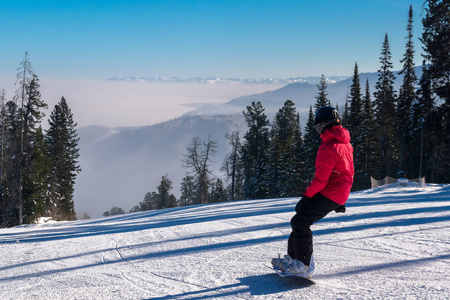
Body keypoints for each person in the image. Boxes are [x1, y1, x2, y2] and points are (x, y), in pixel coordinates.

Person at [272, 106, 354, 277]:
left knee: (301, 221)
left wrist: (305, 197)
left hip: (331, 191)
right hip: (339, 191)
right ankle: (294, 259)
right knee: (299, 220)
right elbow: (347, 172)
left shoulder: (328, 147)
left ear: (324, 125)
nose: (318, 131)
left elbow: (321, 180)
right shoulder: (345, 144)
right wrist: (342, 199)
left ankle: (303, 263)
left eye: (318, 127)